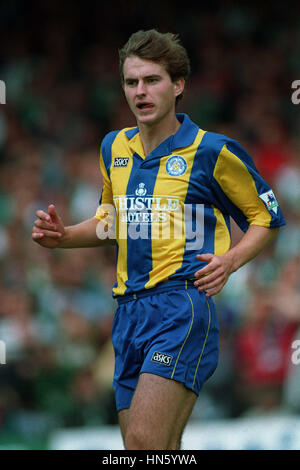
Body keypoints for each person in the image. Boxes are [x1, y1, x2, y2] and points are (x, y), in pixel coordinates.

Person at [32, 29, 286, 450]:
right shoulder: (113, 147)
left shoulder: (211, 152)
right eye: (131, 82)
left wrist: (231, 261)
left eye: (152, 80)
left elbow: (266, 217)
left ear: (178, 85)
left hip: (180, 308)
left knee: (144, 446)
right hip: (128, 315)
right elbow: (111, 222)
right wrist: (64, 238)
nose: (140, 91)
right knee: (153, 451)